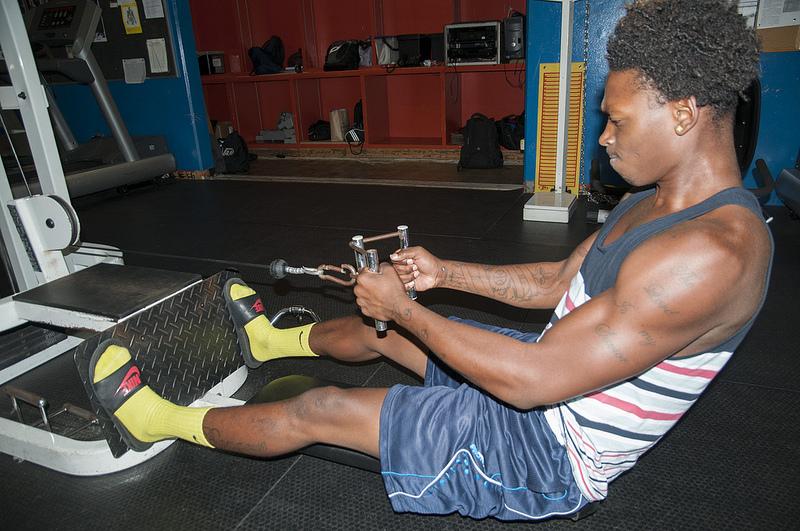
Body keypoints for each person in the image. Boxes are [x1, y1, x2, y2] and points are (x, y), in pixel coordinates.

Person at [88, 0, 771, 522]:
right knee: (377, 330)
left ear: (683, 114)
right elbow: (559, 282)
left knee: (322, 405)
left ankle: (150, 417)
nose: (603, 137)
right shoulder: (660, 198)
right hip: (550, 370)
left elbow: (532, 382)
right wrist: (443, 275)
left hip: (546, 453)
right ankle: (269, 340)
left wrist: (408, 307)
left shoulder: (713, 253)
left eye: (616, 120)